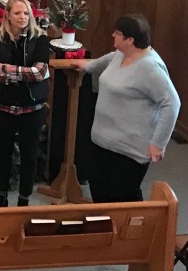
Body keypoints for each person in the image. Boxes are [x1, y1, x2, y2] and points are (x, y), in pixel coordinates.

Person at [70, 14, 180, 202]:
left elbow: (172, 103)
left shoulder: (150, 68)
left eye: (118, 33)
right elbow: (107, 61)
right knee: (100, 193)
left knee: (123, 199)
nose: (113, 35)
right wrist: (87, 66)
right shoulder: (120, 54)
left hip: (128, 151)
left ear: (130, 40)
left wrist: (158, 143)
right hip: (102, 142)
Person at [0, 0, 51, 208]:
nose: (23, 17)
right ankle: (1, 196)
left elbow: (39, 73)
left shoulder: (40, 39)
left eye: (26, 13)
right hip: (3, 105)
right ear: (8, 16)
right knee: (3, 152)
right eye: (18, 13)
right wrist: (22, 73)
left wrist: (5, 68)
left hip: (32, 107)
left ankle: (24, 199)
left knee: (29, 154)